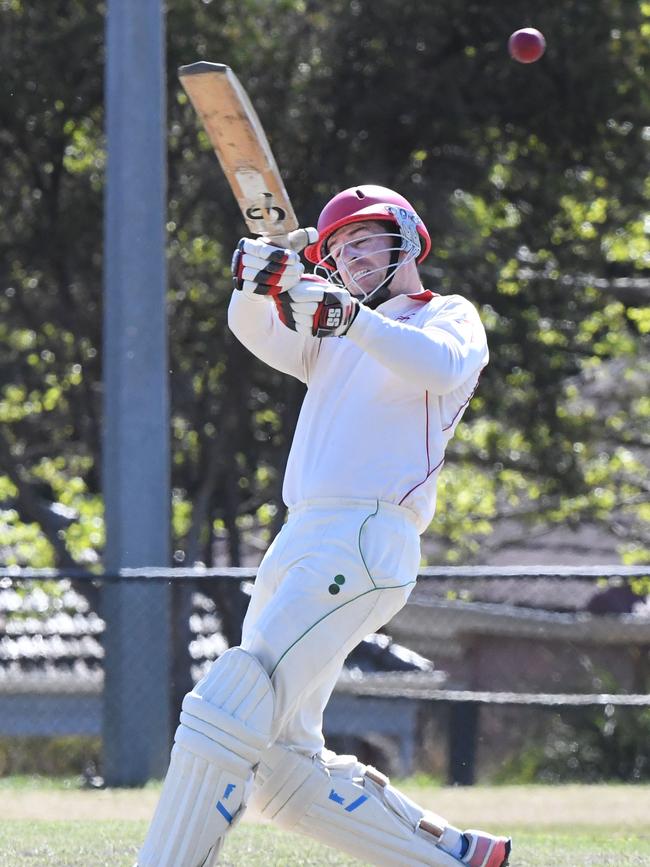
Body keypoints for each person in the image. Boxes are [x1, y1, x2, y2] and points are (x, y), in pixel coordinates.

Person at [136, 185, 510, 867]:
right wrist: (259, 277)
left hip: (364, 536)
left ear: (404, 235)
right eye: (337, 248)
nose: (350, 254)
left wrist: (351, 319)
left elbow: (441, 366)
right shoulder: (332, 343)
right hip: (302, 537)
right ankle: (455, 858)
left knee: (232, 697)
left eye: (364, 238)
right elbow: (254, 329)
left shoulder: (444, 317)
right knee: (282, 770)